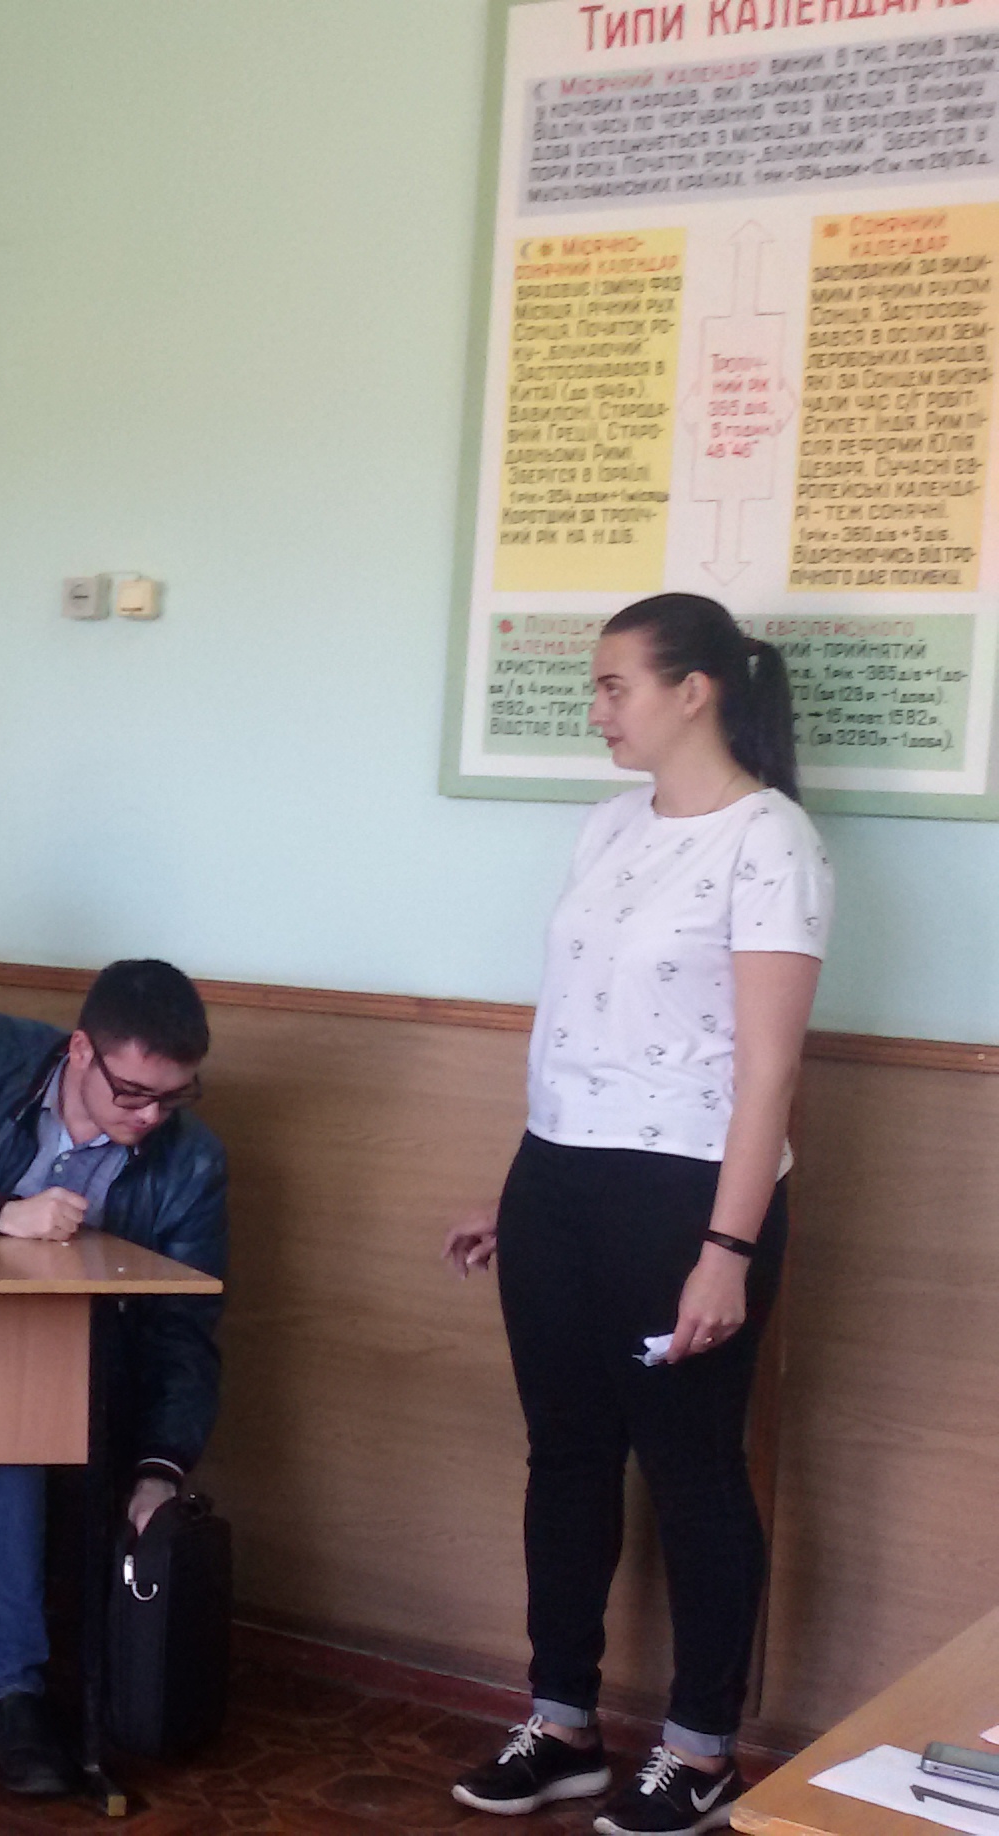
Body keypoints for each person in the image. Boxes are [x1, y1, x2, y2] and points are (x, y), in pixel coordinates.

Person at [443, 595, 828, 1836]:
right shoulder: (607, 826)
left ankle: (701, 1751)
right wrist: (518, 1194)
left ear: (693, 691)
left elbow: (768, 1071)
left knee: (693, 1471)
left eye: (615, 686)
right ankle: (561, 1724)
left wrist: (727, 1251)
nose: (597, 709)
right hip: (560, 1177)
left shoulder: (771, 840)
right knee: (564, 1458)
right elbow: (576, 1027)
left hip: (687, 1195)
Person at [0, 958, 227, 1796]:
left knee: (8, 1431)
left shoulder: (194, 1161)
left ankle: (9, 1688)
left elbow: (185, 1331)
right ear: (80, 1051)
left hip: (75, 1375)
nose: (149, 1116)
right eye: (132, 1092)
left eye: (173, 1097)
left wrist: (162, 1466)